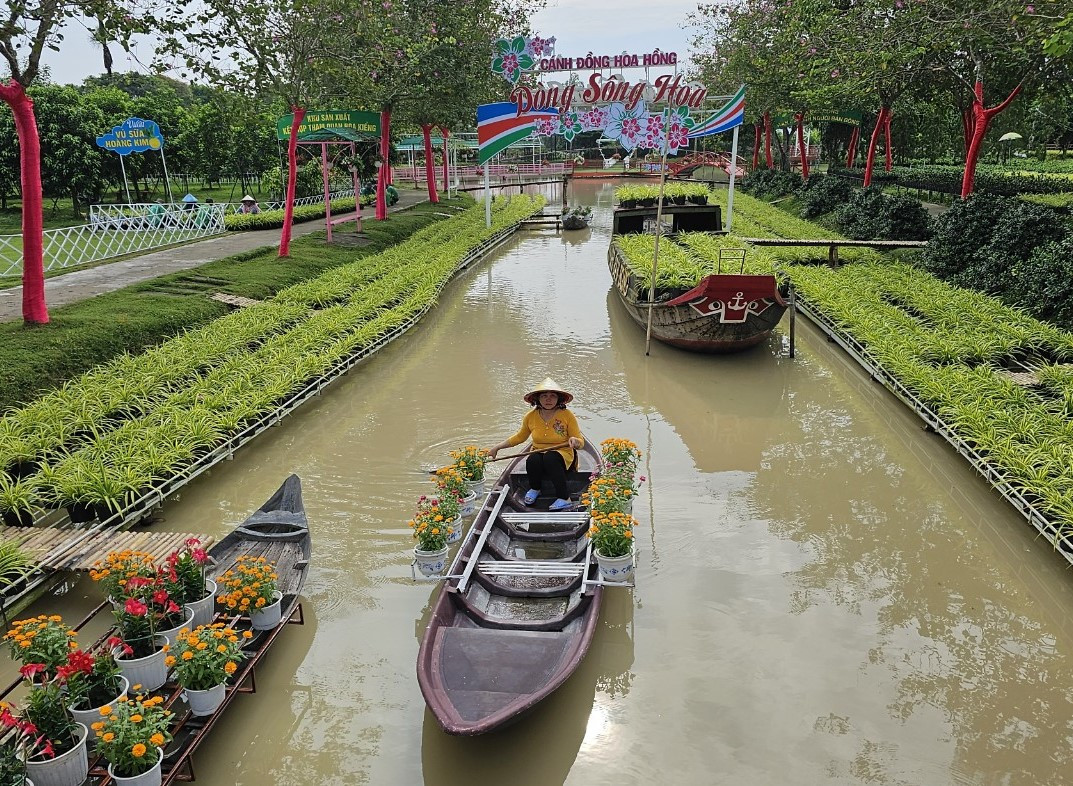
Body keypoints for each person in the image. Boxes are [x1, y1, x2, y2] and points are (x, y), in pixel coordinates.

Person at [487, 378, 584, 511]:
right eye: (544, 396)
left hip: (562, 455)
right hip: (539, 453)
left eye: (552, 396)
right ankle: (535, 488)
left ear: (558, 399)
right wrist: (497, 447)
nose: (548, 399)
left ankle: (564, 498)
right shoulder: (530, 416)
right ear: (537, 399)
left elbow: (580, 441)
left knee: (550, 457)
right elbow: (520, 437)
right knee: (532, 459)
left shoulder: (567, 415)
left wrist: (575, 441)